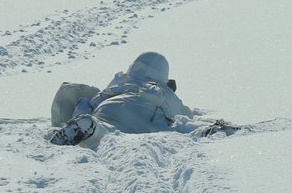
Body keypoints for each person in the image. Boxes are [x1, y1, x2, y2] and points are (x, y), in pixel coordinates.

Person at [46, 51, 236, 148]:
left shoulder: (122, 81)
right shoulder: (162, 90)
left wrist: (85, 112)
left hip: (108, 109)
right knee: (181, 128)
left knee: (106, 130)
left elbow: (95, 100)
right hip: (147, 119)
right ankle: (209, 131)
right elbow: (184, 113)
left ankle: (92, 128)